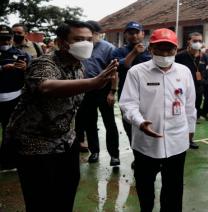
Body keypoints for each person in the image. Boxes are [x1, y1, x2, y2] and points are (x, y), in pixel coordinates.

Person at [5, 20, 118, 212]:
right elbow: (46, 86)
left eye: (89, 39)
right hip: (35, 144)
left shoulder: (79, 66)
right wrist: (93, 82)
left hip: (65, 140)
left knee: (66, 195)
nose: (86, 44)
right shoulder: (44, 63)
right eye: (79, 39)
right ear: (61, 42)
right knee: (41, 201)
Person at [119, 28, 196, 212]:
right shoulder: (137, 72)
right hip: (146, 143)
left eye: (169, 49)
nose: (165, 53)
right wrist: (140, 122)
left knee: (174, 189)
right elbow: (128, 104)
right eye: (160, 48)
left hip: (177, 142)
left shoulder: (184, 71)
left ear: (176, 50)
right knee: (145, 187)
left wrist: (190, 132)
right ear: (150, 49)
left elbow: (190, 105)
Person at [75, 20, 120, 165]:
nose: (86, 39)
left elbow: (114, 72)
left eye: (89, 36)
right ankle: (94, 152)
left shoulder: (108, 48)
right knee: (90, 123)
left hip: (104, 90)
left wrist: (112, 92)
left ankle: (114, 155)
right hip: (85, 90)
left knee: (109, 123)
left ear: (96, 34)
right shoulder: (81, 48)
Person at [111, 21, 151, 146]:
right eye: (130, 33)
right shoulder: (119, 51)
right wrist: (134, 52)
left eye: (137, 33)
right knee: (129, 125)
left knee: (148, 122)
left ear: (142, 34)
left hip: (148, 93)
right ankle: (136, 153)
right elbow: (122, 66)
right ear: (125, 35)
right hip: (127, 94)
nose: (134, 36)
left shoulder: (150, 51)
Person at [175, 32, 208, 149]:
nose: (198, 43)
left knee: (193, 115)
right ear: (188, 41)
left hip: (200, 87)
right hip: (184, 89)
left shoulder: (205, 56)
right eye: (195, 41)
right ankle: (179, 138)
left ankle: (190, 140)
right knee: (182, 115)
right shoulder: (180, 56)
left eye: (200, 41)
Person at [0, 25, 30, 169]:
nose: (5, 43)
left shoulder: (20, 54)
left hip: (14, 97)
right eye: (1, 40)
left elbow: (32, 75)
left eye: (7, 39)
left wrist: (25, 69)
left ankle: (8, 161)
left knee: (10, 130)